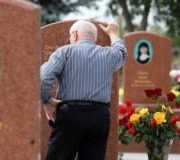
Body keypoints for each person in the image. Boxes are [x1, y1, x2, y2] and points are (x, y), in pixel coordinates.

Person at [40, 20, 127, 160]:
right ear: (95, 38)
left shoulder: (64, 52)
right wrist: (114, 33)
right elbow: (121, 53)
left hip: (70, 115)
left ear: (74, 35)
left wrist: (47, 102)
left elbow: (43, 77)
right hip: (100, 116)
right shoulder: (108, 54)